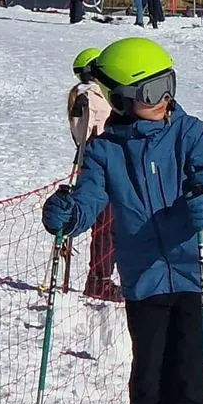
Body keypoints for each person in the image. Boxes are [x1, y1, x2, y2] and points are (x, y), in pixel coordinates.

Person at [41, 37, 203, 404]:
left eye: (167, 86)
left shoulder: (191, 133)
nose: (163, 99)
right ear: (123, 100)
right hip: (146, 280)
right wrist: (69, 215)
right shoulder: (105, 150)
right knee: (148, 381)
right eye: (151, 91)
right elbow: (90, 199)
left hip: (202, 275)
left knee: (195, 379)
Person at [66, 48, 118, 300]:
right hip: (99, 165)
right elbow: (86, 132)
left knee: (109, 224)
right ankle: (100, 280)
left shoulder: (88, 95)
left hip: (98, 161)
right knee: (106, 224)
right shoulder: (90, 96)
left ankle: (101, 277)